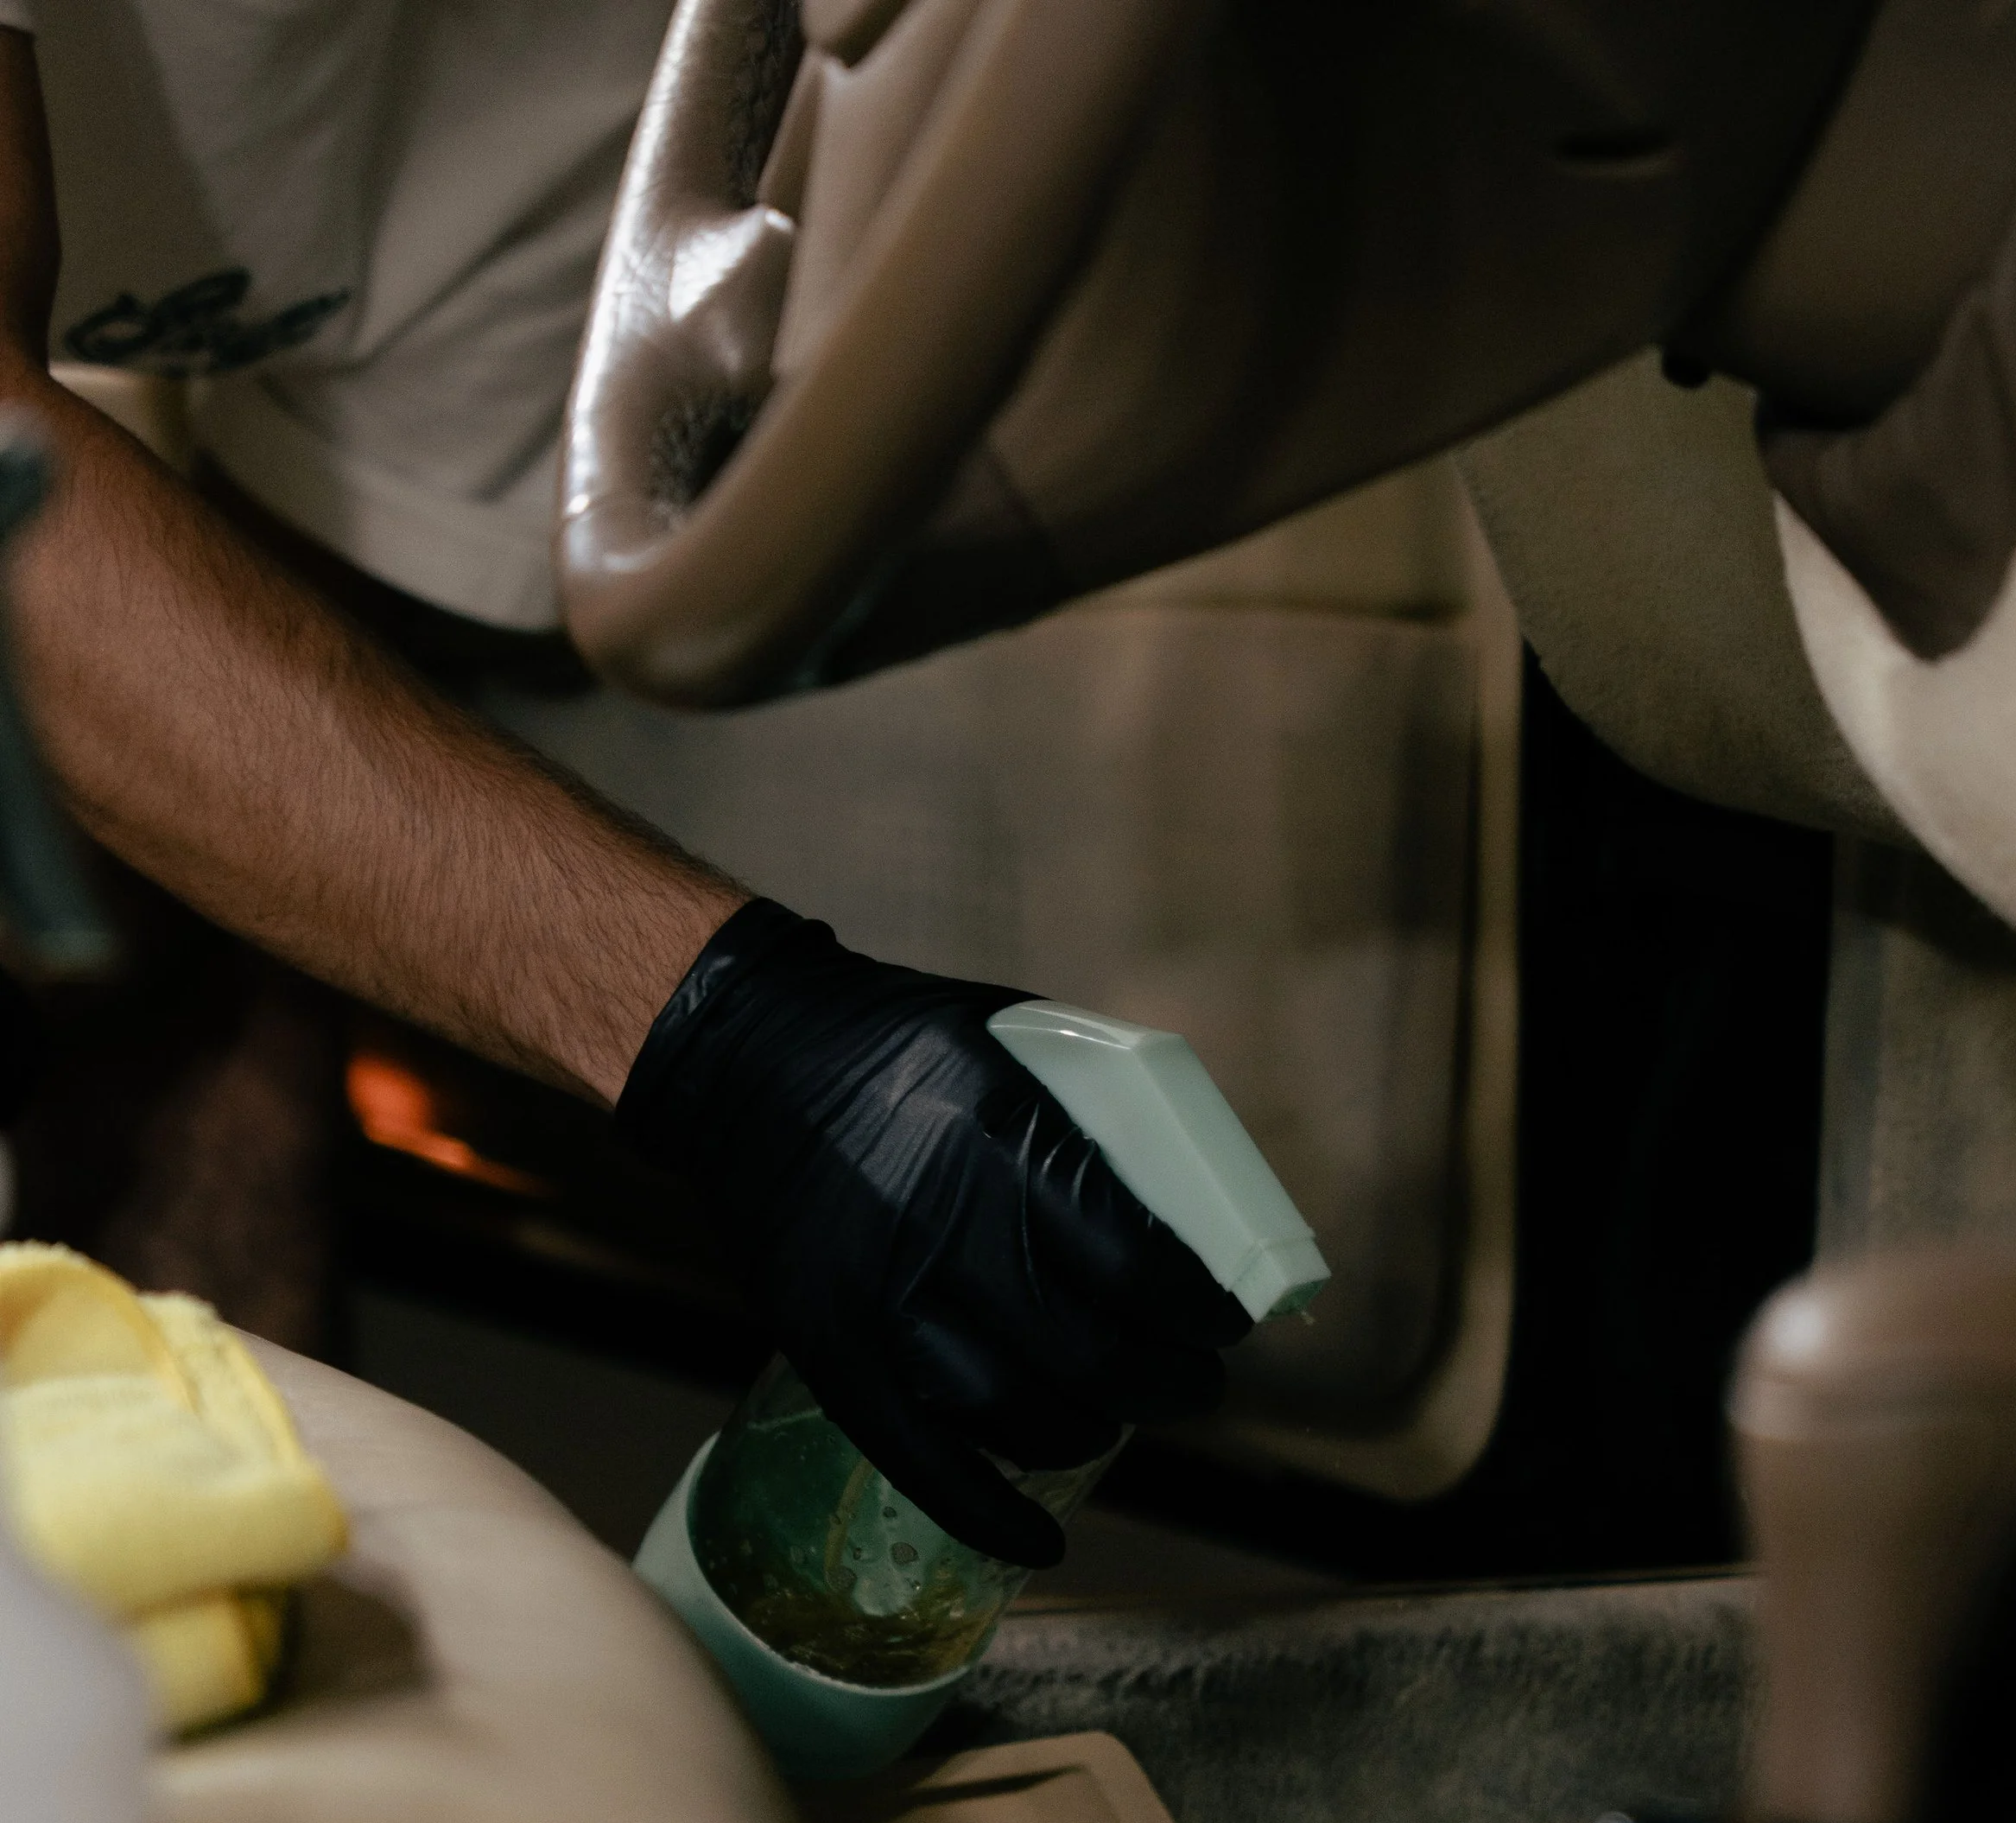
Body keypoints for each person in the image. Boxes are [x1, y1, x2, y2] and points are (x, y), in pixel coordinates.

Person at [0, 3, 1246, 1566]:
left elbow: (263, 711)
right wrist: (728, 1032)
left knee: (193, 950)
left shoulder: (620, 93)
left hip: (481, 195)